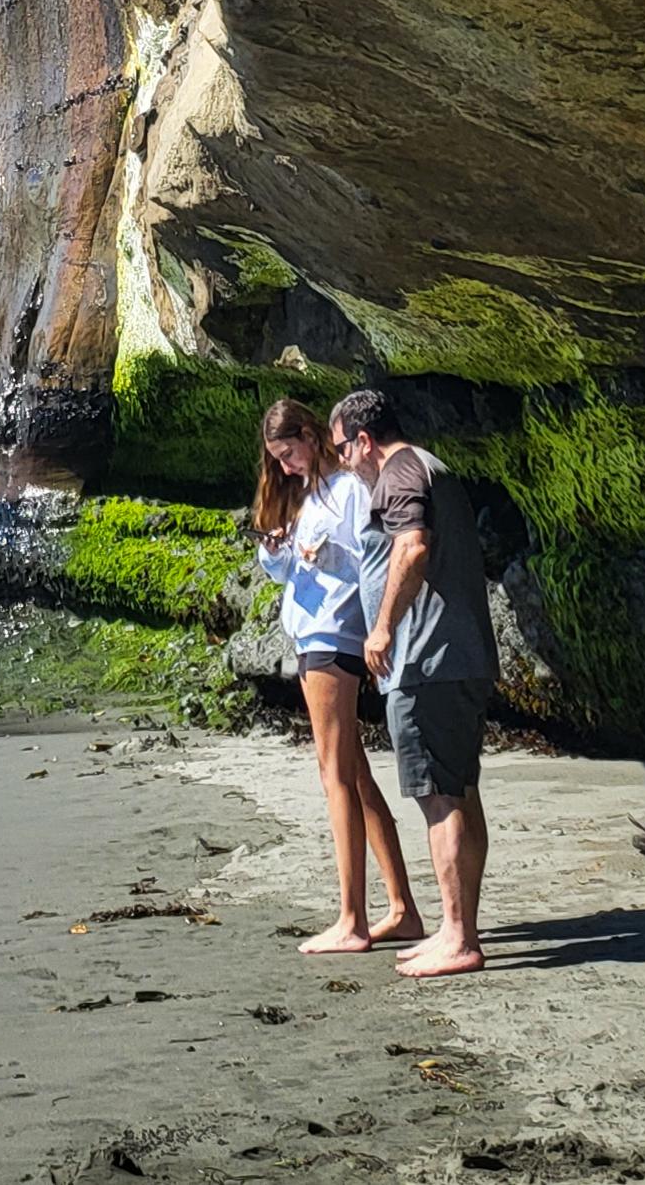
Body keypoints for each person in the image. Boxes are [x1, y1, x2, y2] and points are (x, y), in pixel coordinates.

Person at [332, 386, 499, 977]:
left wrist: (380, 630)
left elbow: (413, 546)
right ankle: (459, 929)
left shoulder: (400, 471)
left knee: (438, 797)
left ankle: (458, 936)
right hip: (457, 657)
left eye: (342, 450)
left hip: (429, 661)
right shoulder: (428, 465)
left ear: (363, 439)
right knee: (457, 792)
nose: (343, 462)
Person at [253, 397, 424, 956]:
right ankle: (402, 909)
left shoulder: (349, 488)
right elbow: (290, 570)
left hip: (334, 637)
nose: (285, 466)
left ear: (310, 435)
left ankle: (352, 918)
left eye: (289, 453)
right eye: (277, 459)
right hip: (314, 633)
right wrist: (278, 551)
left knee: (335, 774)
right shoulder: (309, 495)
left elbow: (367, 560)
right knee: (353, 771)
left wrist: (320, 554)